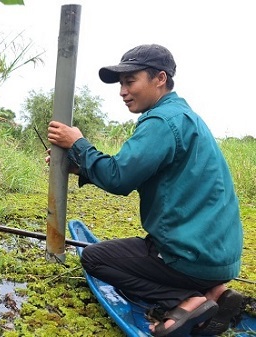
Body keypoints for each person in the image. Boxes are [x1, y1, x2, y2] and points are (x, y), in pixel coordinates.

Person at [46, 44, 243, 336]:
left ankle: (187, 300)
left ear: (159, 78)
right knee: (147, 251)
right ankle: (216, 292)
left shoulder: (162, 122)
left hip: (189, 256)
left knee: (95, 258)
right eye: (121, 84)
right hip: (220, 258)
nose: (123, 91)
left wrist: (78, 143)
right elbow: (131, 169)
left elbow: (119, 178)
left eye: (130, 81)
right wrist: (80, 166)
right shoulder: (185, 116)